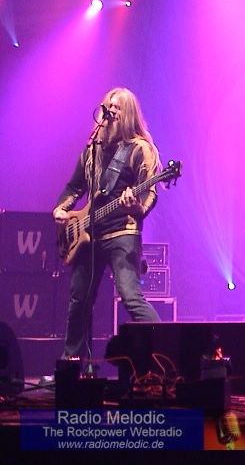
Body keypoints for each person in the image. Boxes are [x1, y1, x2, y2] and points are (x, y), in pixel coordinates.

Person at [53, 87, 162, 361]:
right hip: (89, 235)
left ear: (129, 114)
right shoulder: (92, 150)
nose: (111, 111)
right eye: (108, 106)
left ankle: (166, 350)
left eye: (118, 107)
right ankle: (71, 365)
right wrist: (62, 208)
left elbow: (150, 192)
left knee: (130, 297)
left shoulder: (139, 149)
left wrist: (137, 207)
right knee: (79, 302)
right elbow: (74, 186)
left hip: (122, 232)